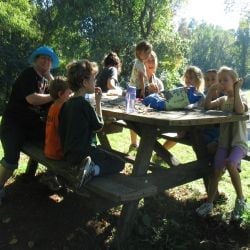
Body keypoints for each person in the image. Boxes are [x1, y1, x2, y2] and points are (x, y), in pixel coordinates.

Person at [0, 46, 59, 205]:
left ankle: (50, 175)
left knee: (57, 138)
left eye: (49, 60)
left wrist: (49, 76)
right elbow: (32, 99)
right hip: (14, 124)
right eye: (43, 58)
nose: (46, 61)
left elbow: (58, 91)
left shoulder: (45, 80)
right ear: (35, 59)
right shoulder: (28, 74)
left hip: (31, 126)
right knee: (11, 160)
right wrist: (53, 95)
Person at [58, 60, 124, 189]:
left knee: (103, 152)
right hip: (84, 153)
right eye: (94, 79)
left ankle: (80, 167)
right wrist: (98, 102)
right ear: (85, 82)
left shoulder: (67, 104)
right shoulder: (84, 104)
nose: (96, 82)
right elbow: (99, 126)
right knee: (119, 163)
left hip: (69, 154)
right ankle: (91, 171)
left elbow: (62, 130)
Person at [196, 66, 249, 220]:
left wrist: (237, 91)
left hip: (239, 143)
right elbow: (207, 107)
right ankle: (209, 203)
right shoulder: (223, 100)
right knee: (216, 169)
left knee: (231, 163)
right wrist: (211, 93)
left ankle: (241, 200)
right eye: (220, 80)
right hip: (224, 143)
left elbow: (240, 110)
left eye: (225, 80)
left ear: (235, 81)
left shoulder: (242, 98)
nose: (222, 83)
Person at [39, 76, 72, 191]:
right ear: (60, 94)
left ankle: (51, 176)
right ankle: (65, 180)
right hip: (58, 153)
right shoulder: (63, 109)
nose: (71, 94)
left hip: (49, 149)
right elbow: (66, 133)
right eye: (69, 92)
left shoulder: (53, 106)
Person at [162, 65, 205, 151]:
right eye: (186, 77)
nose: (188, 80)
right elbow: (171, 100)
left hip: (193, 125)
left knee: (180, 134)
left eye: (191, 78)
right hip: (178, 122)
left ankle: (160, 152)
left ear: (198, 80)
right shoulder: (181, 91)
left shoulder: (200, 96)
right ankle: (160, 152)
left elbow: (201, 111)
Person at [129, 41, 152, 152]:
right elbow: (141, 78)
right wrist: (143, 89)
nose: (148, 55)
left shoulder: (137, 62)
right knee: (142, 109)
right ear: (139, 52)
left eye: (149, 53)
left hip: (134, 88)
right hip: (139, 90)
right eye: (147, 53)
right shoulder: (140, 64)